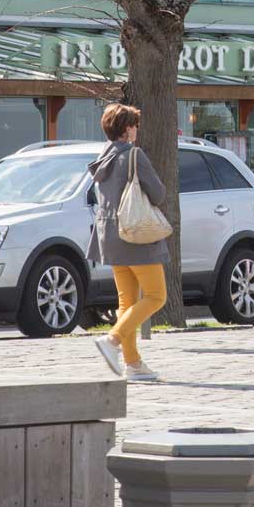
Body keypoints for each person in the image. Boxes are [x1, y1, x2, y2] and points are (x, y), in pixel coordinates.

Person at [87, 103, 168, 383]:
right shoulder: (134, 155)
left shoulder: (103, 157)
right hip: (135, 234)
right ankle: (113, 340)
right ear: (127, 128)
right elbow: (158, 194)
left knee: (127, 301)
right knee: (157, 296)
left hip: (109, 236)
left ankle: (133, 363)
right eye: (134, 125)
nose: (136, 129)